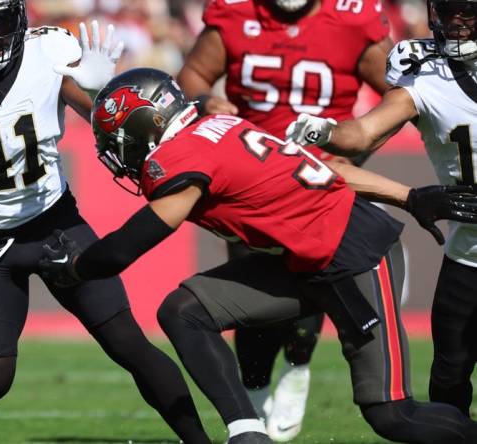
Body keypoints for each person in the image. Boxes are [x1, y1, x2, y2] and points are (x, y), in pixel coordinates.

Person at [39, 67, 477, 444]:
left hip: (354, 256)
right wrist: (409, 196)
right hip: (305, 259)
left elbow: (128, 246)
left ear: (150, 124)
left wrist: (76, 266)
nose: (120, 154)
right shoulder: (220, 128)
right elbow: (331, 170)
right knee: (184, 310)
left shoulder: (182, 155)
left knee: (391, 415)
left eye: (122, 141)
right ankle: (247, 430)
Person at [0, 2, 213, 443]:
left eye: (2, 19)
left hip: (55, 223)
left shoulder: (48, 52)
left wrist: (105, 93)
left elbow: (108, 126)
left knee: (129, 343)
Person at [175, 0, 393, 437]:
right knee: (248, 287)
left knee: (312, 278)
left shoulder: (352, 18)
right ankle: (253, 389)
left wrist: (355, 146)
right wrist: (206, 101)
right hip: (248, 180)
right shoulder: (235, 14)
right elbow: (193, 76)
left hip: (318, 179)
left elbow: (403, 95)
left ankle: (298, 366)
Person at [286, 0, 477, 418]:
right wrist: (325, 130)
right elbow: (366, 133)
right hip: (468, 256)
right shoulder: (428, 76)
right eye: (448, 12)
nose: (456, 23)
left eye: (468, 12)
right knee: (448, 377)